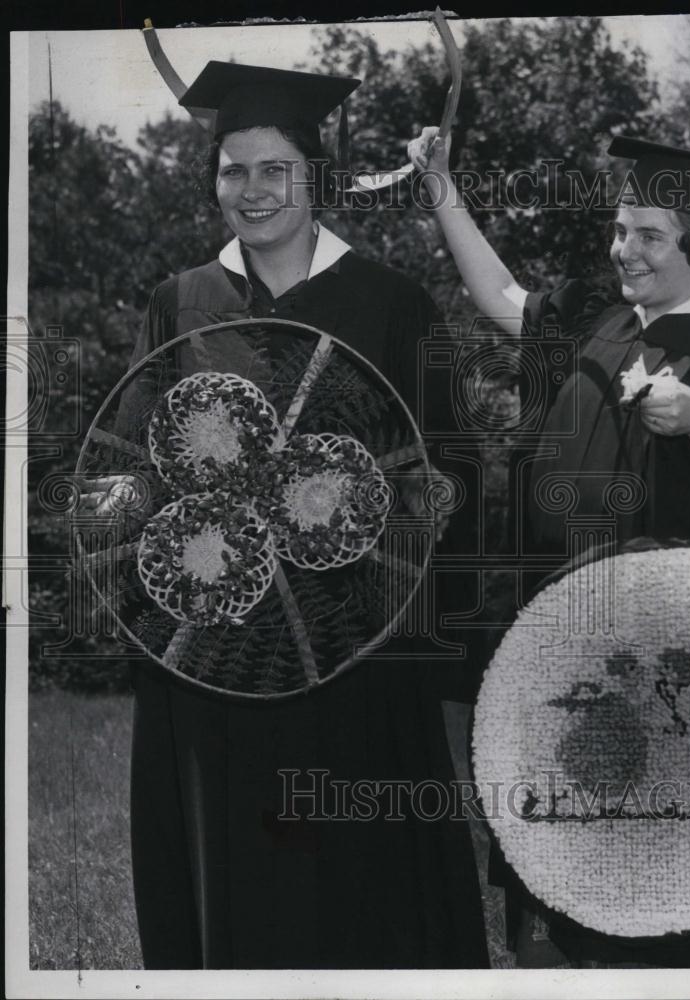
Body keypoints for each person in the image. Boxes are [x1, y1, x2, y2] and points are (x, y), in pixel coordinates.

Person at [82, 63, 489, 970]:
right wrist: (122, 512)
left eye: (274, 169)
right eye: (233, 171)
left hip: (351, 649)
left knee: (356, 892)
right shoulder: (180, 302)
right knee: (229, 884)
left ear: (317, 180)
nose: (252, 192)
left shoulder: (389, 303)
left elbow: (449, 459)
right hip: (213, 653)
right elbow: (134, 450)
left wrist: (378, 523)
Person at [407, 128, 690, 967]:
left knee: (667, 897)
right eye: (621, 229)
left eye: (648, 235)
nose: (622, 249)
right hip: (561, 656)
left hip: (688, 683)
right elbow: (499, 293)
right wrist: (440, 184)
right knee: (562, 888)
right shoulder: (600, 330)